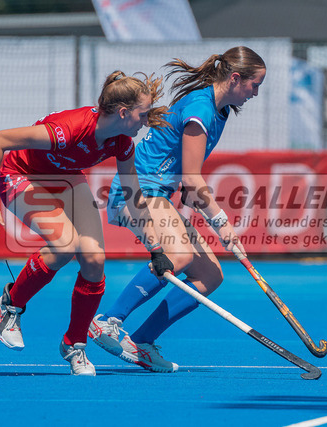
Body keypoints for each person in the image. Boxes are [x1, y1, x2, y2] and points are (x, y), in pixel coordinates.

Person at [0, 71, 174, 376]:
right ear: (123, 113)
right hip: (21, 174)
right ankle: (9, 306)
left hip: (65, 177)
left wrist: (156, 248)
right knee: (64, 245)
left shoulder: (122, 143)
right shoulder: (68, 130)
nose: (146, 121)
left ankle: (74, 344)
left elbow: (134, 196)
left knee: (94, 260)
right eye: (142, 114)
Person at [88, 46, 266, 373]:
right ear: (235, 78)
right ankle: (108, 321)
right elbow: (192, 177)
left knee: (209, 276)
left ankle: (142, 341)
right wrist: (222, 223)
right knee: (178, 255)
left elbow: (185, 174)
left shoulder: (220, 110)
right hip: (136, 191)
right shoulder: (201, 108)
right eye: (254, 85)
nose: (255, 93)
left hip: (159, 193)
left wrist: (189, 191)